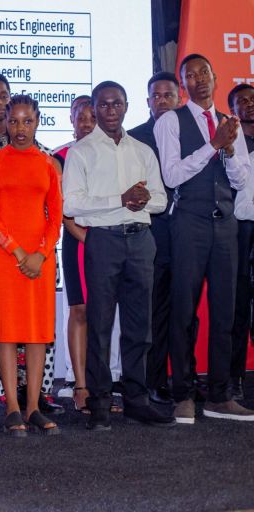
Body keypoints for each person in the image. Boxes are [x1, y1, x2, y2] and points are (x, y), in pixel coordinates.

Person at [63, 81, 175, 430]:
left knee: (139, 326)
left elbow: (161, 200)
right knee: (99, 325)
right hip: (104, 242)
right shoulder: (81, 152)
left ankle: (136, 400)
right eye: (104, 105)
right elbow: (72, 205)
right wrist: (120, 199)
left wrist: (142, 200)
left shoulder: (142, 150)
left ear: (126, 107)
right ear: (94, 109)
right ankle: (98, 404)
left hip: (141, 240)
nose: (111, 110)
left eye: (117, 104)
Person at [155, 54, 254, 423]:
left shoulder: (231, 123)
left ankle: (220, 394)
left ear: (215, 77)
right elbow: (172, 174)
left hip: (225, 224)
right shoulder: (171, 121)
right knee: (183, 308)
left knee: (226, 311)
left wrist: (228, 149)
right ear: (183, 85)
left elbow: (242, 179)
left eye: (203, 74)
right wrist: (212, 145)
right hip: (189, 223)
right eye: (190, 75)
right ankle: (182, 393)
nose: (198, 80)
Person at [0, 74, 60, 415]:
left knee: (35, 330)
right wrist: (18, 251)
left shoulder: (48, 161)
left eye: (27, 121)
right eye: (14, 120)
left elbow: (56, 214)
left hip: (40, 257)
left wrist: (40, 253)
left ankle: (30, 399)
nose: (20, 126)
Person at [127, 71, 181, 405]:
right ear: (147, 102)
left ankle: (184, 380)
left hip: (190, 234)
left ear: (179, 99)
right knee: (152, 313)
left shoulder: (194, 134)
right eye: (156, 96)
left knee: (185, 312)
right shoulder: (134, 138)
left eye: (168, 95)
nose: (161, 101)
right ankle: (152, 380)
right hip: (149, 236)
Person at [54, 95, 97, 412]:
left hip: (111, 241)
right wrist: (87, 238)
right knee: (79, 311)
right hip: (77, 241)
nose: (86, 122)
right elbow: (63, 211)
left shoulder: (114, 152)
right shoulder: (60, 156)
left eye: (91, 117)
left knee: (106, 313)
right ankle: (80, 385)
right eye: (80, 116)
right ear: (71, 119)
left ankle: (104, 383)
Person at [228, 83, 254, 401]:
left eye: (253, 100)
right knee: (236, 309)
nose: (249, 105)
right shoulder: (229, 141)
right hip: (237, 230)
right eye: (242, 102)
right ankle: (232, 379)